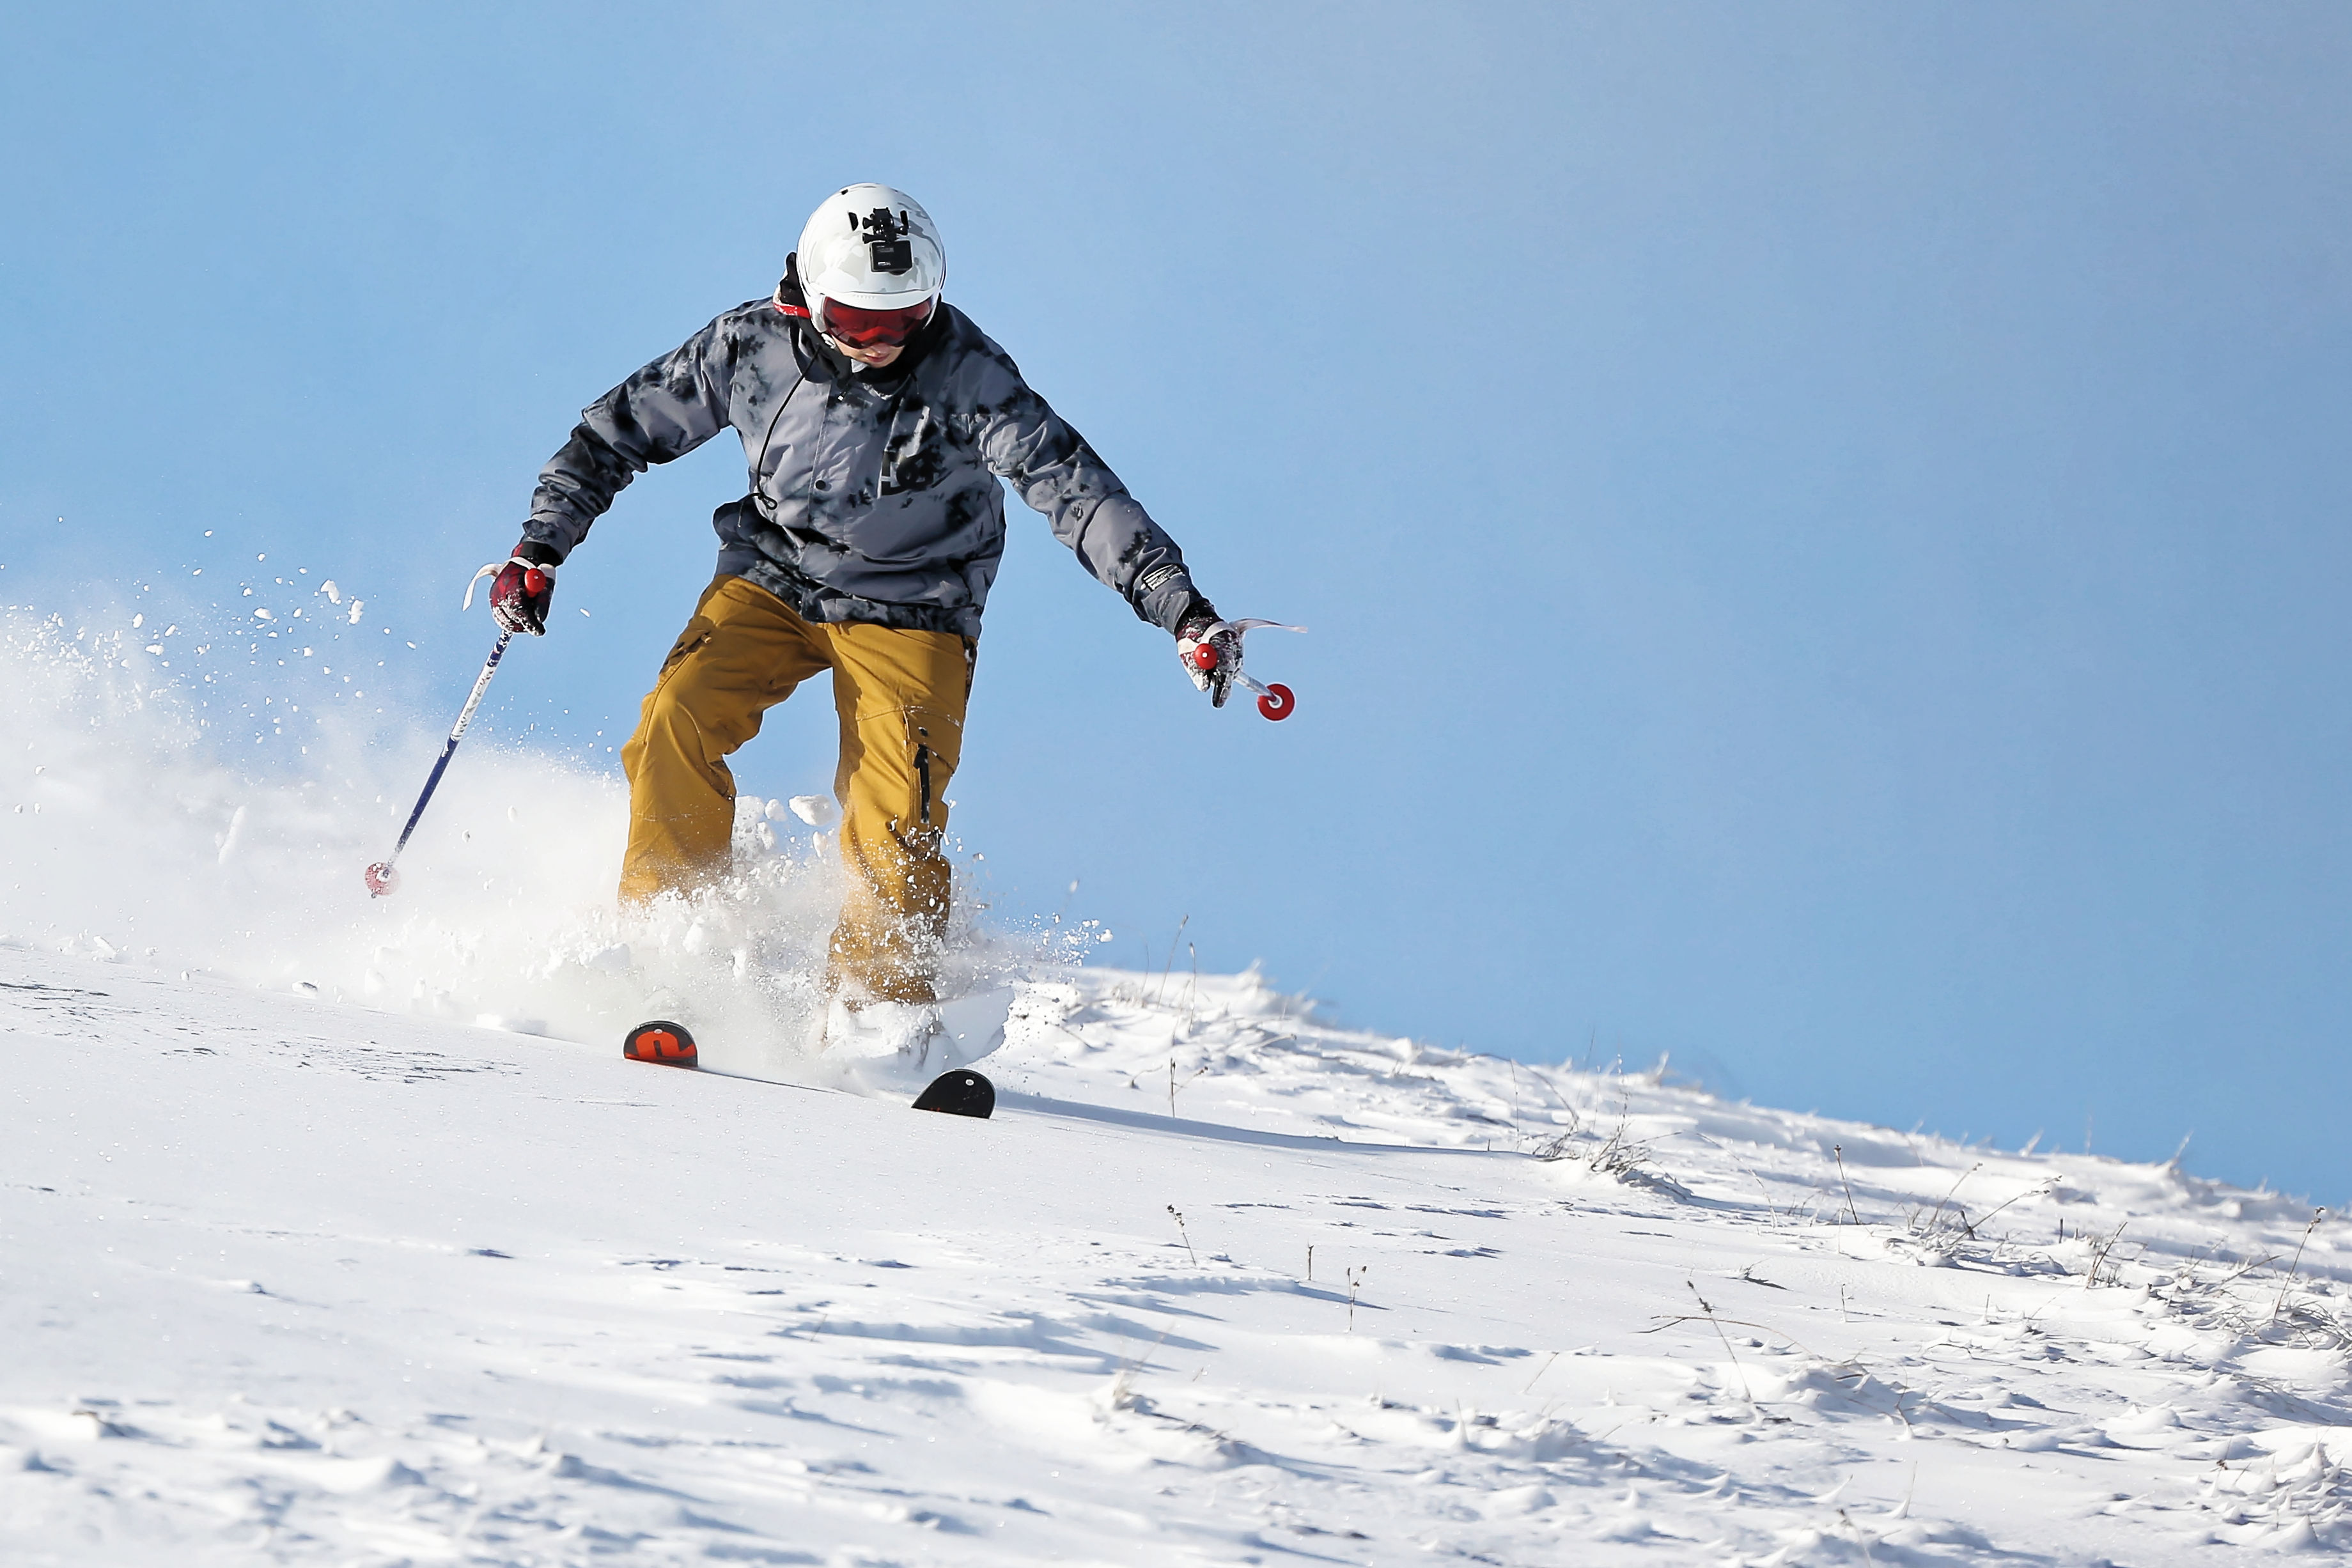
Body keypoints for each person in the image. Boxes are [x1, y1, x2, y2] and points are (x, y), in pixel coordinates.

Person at [485, 183, 1245, 1054]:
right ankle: (671, 945)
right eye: (854, 318)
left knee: (894, 801)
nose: (878, 343)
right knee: (675, 718)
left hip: (916, 604)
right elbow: (614, 435)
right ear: (807, 295)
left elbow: (1073, 489)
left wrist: (1177, 605)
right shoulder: (749, 348)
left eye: (902, 319)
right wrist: (540, 547)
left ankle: (878, 1011)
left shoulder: (968, 374)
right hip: (775, 577)